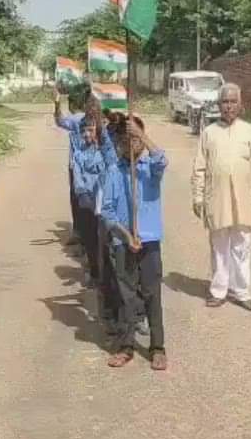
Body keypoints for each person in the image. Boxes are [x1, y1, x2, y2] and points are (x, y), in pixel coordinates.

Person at [190, 83, 251, 312]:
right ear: (219, 105)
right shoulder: (209, 133)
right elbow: (199, 168)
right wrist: (198, 197)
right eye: (225, 102)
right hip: (217, 199)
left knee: (242, 246)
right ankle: (219, 290)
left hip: (244, 199)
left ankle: (242, 292)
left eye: (233, 102)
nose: (229, 106)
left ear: (240, 105)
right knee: (219, 246)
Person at [100, 115, 169, 370]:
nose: (132, 142)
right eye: (126, 138)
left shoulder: (150, 168)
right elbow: (106, 211)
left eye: (135, 137)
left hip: (149, 242)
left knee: (152, 295)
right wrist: (126, 236)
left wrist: (142, 135)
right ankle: (126, 345)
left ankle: (158, 347)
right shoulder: (114, 171)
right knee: (126, 297)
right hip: (124, 243)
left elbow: (162, 159)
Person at [71, 115, 115, 288]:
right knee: (90, 239)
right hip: (88, 201)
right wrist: (83, 195)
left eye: (90, 130)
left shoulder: (106, 151)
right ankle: (95, 272)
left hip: (106, 202)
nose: (87, 134)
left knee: (107, 240)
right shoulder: (80, 154)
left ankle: (108, 275)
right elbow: (78, 179)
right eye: (84, 131)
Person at [54, 87, 100, 247]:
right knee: (83, 199)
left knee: (83, 200)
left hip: (86, 166)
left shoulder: (82, 119)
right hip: (82, 165)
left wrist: (56, 102)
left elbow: (59, 120)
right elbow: (60, 121)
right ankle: (84, 234)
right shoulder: (83, 119)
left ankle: (84, 234)